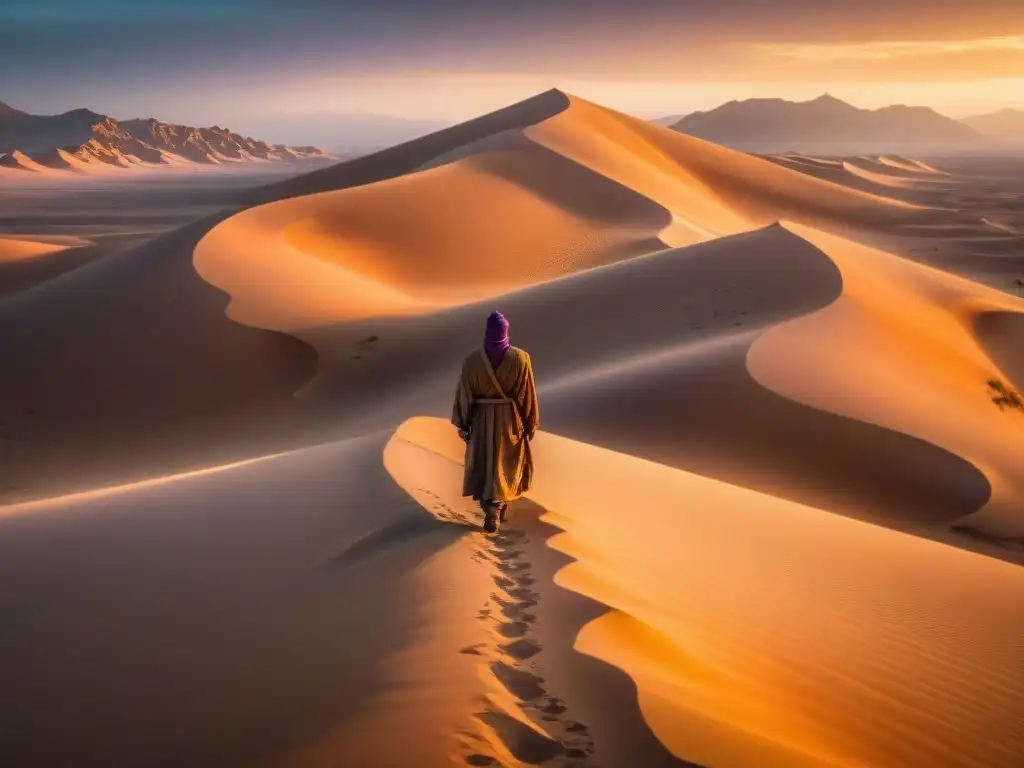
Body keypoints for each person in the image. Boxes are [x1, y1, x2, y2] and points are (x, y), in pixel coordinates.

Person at [451, 310, 539, 533]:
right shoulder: (521, 359)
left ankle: (491, 509)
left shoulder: (472, 361)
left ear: (487, 332)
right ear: (506, 332)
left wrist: (463, 423)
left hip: (481, 421)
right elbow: (527, 394)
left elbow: (465, 394)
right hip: (510, 422)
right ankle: (498, 507)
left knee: (485, 464)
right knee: (505, 466)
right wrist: (530, 424)